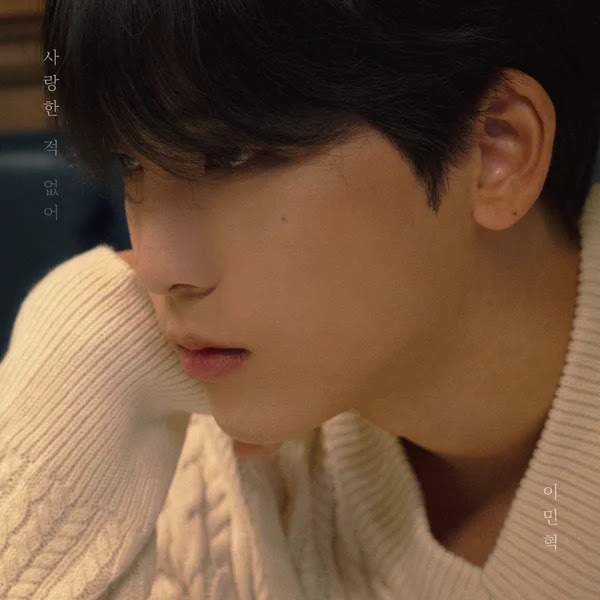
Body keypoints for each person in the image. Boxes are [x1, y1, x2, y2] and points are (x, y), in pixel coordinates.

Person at [1, 1, 599, 599]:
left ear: (495, 148)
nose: (157, 268)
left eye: (229, 154)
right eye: (131, 163)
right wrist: (86, 350)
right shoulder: (215, 463)